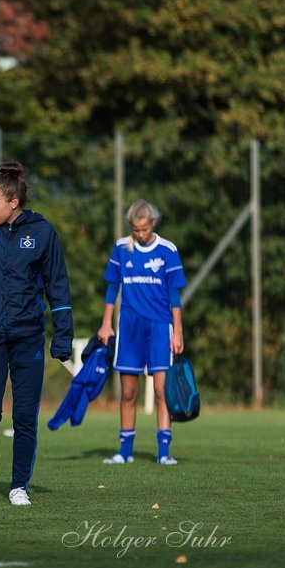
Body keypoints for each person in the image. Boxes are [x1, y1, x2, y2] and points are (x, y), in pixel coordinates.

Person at [0, 162, 73, 506]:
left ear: (13, 202)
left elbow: (58, 287)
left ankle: (19, 485)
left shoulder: (43, 233)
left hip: (28, 338)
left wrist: (63, 335)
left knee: (25, 415)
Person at [96, 199, 186, 466]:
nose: (139, 234)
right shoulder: (122, 249)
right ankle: (125, 451)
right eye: (135, 229)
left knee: (161, 391)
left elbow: (174, 296)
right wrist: (106, 323)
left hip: (160, 327)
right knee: (127, 393)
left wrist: (178, 331)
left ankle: (164, 452)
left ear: (153, 224)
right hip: (130, 327)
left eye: (144, 229)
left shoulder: (168, 250)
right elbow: (112, 288)